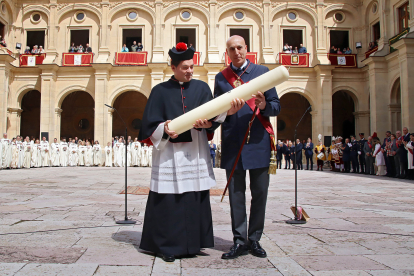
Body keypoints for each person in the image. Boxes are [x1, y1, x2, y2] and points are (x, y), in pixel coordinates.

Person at [138, 42, 238, 263]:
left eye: (192, 67)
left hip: (195, 150)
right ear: (173, 67)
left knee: (194, 196)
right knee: (169, 200)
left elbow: (214, 118)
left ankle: (193, 243)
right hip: (169, 155)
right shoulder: (159, 91)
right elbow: (148, 126)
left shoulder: (202, 88)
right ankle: (167, 246)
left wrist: (210, 122)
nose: (190, 71)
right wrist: (164, 128)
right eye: (185, 67)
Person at [214, 35, 280, 260]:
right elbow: (216, 113)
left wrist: (263, 105)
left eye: (239, 47)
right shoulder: (221, 78)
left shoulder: (262, 72)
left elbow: (276, 106)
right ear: (227, 52)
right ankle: (239, 241)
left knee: (260, 193)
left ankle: (255, 239)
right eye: (231, 49)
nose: (236, 52)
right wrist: (227, 112)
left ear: (246, 48)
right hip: (233, 143)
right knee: (236, 194)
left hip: (258, 141)